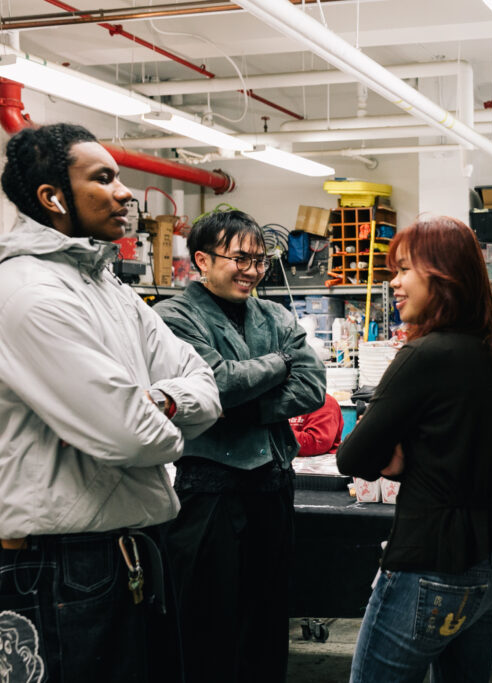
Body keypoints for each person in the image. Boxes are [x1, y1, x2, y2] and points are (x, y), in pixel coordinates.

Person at [0, 123, 221, 682]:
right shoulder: (28, 293)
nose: (125, 192)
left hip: (130, 549)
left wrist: (156, 403)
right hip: (58, 561)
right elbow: (132, 436)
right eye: (104, 178)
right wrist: (165, 421)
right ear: (53, 197)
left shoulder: (110, 289)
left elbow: (204, 384)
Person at [337, 216, 492, 682]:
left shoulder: (424, 355)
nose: (394, 283)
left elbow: (353, 458)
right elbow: (464, 446)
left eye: (404, 269)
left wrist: (402, 461)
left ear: (442, 275)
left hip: (434, 558)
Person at [154, 210, 326, 683]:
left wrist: (236, 404)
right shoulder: (171, 316)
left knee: (268, 618)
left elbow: (313, 388)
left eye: (259, 260)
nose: (252, 270)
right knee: (208, 619)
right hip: (209, 486)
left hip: (272, 481)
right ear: (203, 260)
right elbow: (217, 382)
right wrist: (280, 362)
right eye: (240, 258)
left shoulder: (274, 314)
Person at [290, 392, 345, 456]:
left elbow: (315, 443)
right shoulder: (284, 401)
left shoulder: (323, 402)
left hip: (319, 463)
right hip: (291, 461)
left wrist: (278, 436)